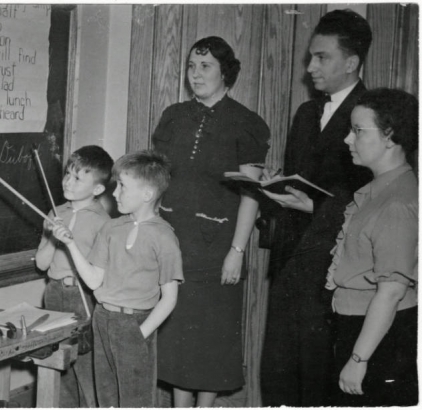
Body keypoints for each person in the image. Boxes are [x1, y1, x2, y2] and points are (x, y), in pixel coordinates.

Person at [260, 9, 374, 406]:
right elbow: (299, 177)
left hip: (334, 268)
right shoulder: (306, 113)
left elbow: (374, 195)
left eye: (321, 57)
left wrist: (314, 207)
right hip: (290, 258)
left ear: (352, 62)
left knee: (317, 374)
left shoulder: (373, 116)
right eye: (311, 57)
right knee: (279, 370)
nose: (310, 68)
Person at [152, 36, 270, 407]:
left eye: (205, 66)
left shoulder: (246, 123)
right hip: (173, 239)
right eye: (190, 66)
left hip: (217, 245)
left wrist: (237, 250)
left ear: (226, 73)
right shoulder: (173, 116)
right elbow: (156, 179)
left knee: (209, 338)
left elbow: (251, 194)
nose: (195, 74)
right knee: (176, 337)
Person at [52, 150, 184, 408]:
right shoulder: (111, 228)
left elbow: (169, 298)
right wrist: (70, 244)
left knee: (135, 399)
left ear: (147, 194)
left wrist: (140, 334)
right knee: (106, 396)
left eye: (122, 186)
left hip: (135, 322)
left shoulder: (164, 237)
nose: (114, 193)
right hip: (102, 318)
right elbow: (92, 281)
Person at [326, 88, 418, 406]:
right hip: (360, 326)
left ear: (390, 135)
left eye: (358, 131)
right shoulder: (380, 190)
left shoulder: (398, 201)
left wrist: (359, 359)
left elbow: (391, 291)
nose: (348, 140)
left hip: (378, 338)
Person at [34, 145, 113, 407]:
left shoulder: (103, 222)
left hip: (82, 298)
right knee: (58, 365)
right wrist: (50, 237)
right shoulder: (56, 213)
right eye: (68, 173)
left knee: (86, 369)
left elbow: (100, 274)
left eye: (78, 178)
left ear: (98, 189)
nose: (68, 181)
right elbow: (43, 265)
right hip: (54, 293)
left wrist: (71, 242)